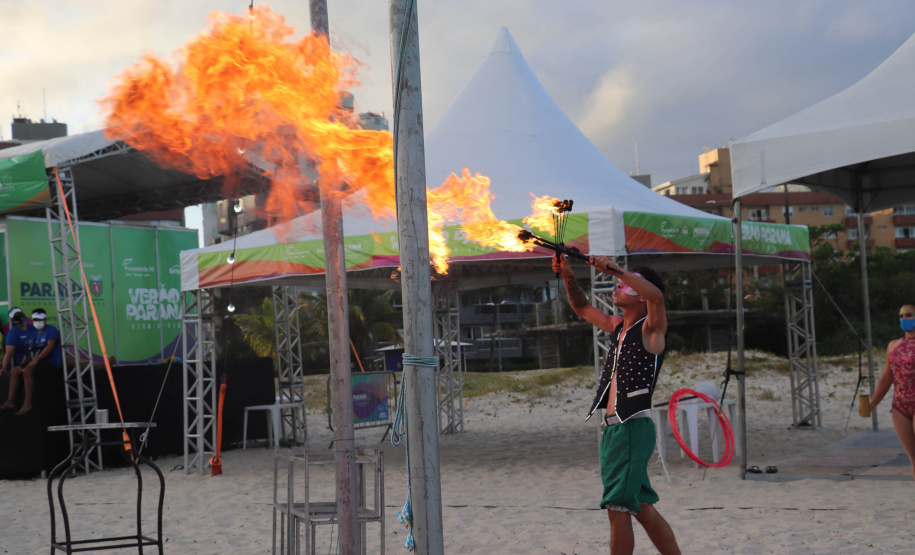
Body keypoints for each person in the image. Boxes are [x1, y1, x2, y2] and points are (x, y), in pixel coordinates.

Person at [553, 253, 680, 555]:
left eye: (624, 285)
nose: (616, 288)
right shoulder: (618, 327)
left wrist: (614, 268)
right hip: (613, 432)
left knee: (617, 507)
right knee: (642, 506)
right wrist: (568, 274)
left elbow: (658, 297)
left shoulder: (652, 331)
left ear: (641, 294)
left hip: (631, 427)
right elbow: (581, 307)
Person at [870, 302, 915, 480]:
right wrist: (873, 402)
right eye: (901, 316)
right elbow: (886, 378)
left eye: (909, 315)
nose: (904, 319)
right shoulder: (893, 345)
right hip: (900, 405)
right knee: (913, 457)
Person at [0, 307, 38, 414]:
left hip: (37, 360)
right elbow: (9, 353)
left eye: (19, 315)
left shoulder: (33, 329)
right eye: (16, 317)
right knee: (15, 371)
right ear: (12, 320)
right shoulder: (13, 333)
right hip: (24, 363)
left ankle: (27, 403)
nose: (19, 318)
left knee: (26, 371)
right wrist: (3, 368)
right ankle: (11, 401)